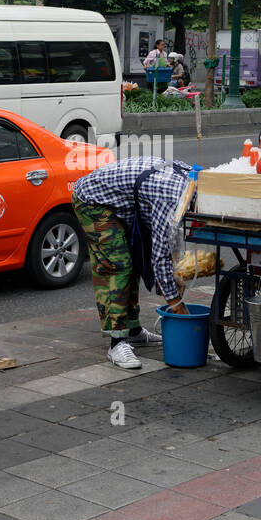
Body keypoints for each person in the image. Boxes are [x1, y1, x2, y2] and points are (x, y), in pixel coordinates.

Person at [71, 156, 196, 369]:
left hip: (121, 203)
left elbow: (170, 241)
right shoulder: (171, 198)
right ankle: (116, 342)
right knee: (117, 265)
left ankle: (133, 330)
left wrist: (178, 273)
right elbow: (159, 257)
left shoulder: (194, 180)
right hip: (93, 200)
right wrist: (175, 304)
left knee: (134, 261)